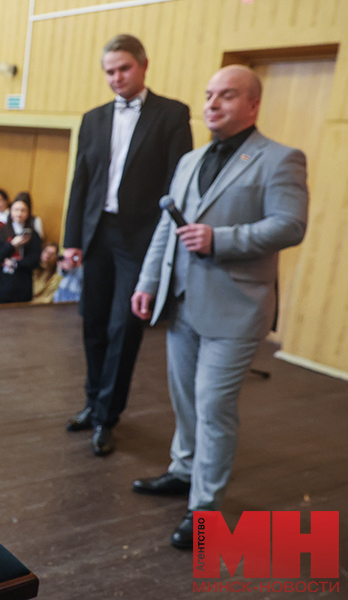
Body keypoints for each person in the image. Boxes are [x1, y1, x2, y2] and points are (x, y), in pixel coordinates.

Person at [130, 65, 308, 549]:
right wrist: (149, 281)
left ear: (252, 105)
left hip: (237, 306)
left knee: (213, 407)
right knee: (185, 399)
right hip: (182, 302)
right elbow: (168, 229)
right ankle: (184, 470)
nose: (212, 104)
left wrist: (220, 239)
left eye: (226, 96)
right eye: (209, 94)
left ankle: (204, 509)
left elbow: (291, 225)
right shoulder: (191, 159)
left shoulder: (281, 159)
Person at [60, 34, 193, 456]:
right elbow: (81, 182)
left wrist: (168, 245)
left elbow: (179, 183)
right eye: (109, 71)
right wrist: (71, 240)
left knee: (124, 326)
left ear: (143, 65)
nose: (116, 78)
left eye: (124, 69)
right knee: (93, 322)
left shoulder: (172, 114)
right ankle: (91, 401)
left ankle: (107, 417)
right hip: (97, 232)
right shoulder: (93, 118)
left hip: (140, 239)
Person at [0, 197, 42, 303]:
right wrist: (12, 244)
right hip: (2, 282)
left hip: (22, 281)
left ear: (28, 213)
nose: (19, 213)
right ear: (11, 211)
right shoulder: (2, 232)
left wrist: (16, 263)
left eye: (23, 210)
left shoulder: (33, 234)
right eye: (16, 210)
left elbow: (35, 259)